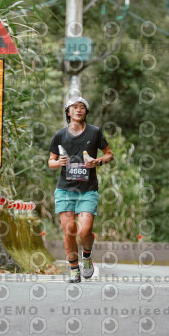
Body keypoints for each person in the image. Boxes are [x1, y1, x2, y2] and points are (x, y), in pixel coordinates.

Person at [48, 97, 114, 283]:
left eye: (82, 107)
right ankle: (74, 269)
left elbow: (109, 155)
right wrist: (58, 163)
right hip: (65, 191)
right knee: (69, 230)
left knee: (84, 231)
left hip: (87, 190)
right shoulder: (60, 135)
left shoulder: (94, 132)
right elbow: (50, 161)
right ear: (68, 112)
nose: (78, 110)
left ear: (86, 112)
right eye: (74, 107)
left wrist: (97, 162)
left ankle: (87, 254)